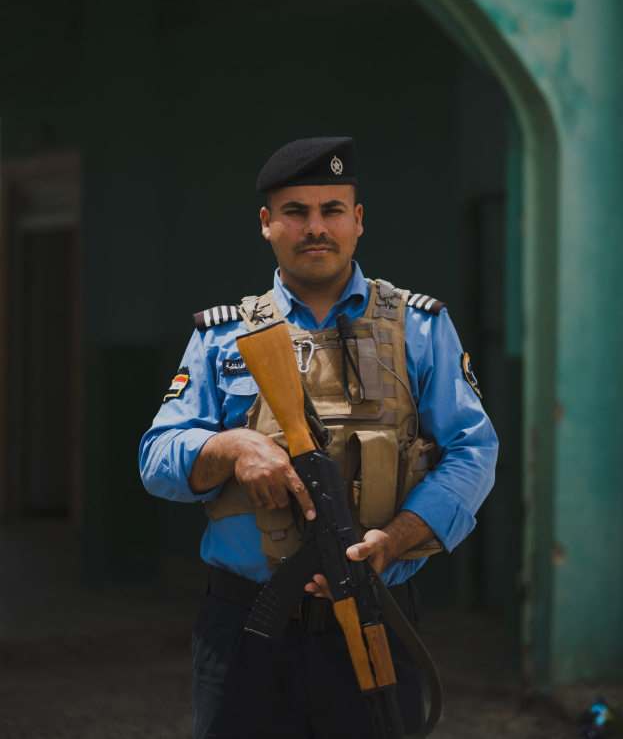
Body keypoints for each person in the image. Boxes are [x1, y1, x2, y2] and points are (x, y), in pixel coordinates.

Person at [139, 136, 498, 739]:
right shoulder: (223, 336)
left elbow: (473, 451)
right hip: (245, 626)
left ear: (357, 221)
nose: (315, 227)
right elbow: (157, 458)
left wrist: (395, 540)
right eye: (295, 211)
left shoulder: (420, 326)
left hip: (375, 614)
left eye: (332, 210)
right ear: (266, 224)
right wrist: (231, 448)